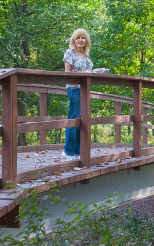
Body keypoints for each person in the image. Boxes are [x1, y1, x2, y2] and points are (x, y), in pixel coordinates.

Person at [62, 28, 93, 161]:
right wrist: (84, 73)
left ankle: (78, 152)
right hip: (74, 89)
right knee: (73, 119)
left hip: (85, 90)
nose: (81, 40)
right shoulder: (70, 53)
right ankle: (68, 152)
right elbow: (67, 74)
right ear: (74, 40)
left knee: (83, 121)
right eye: (78, 37)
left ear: (86, 41)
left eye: (83, 38)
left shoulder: (86, 56)